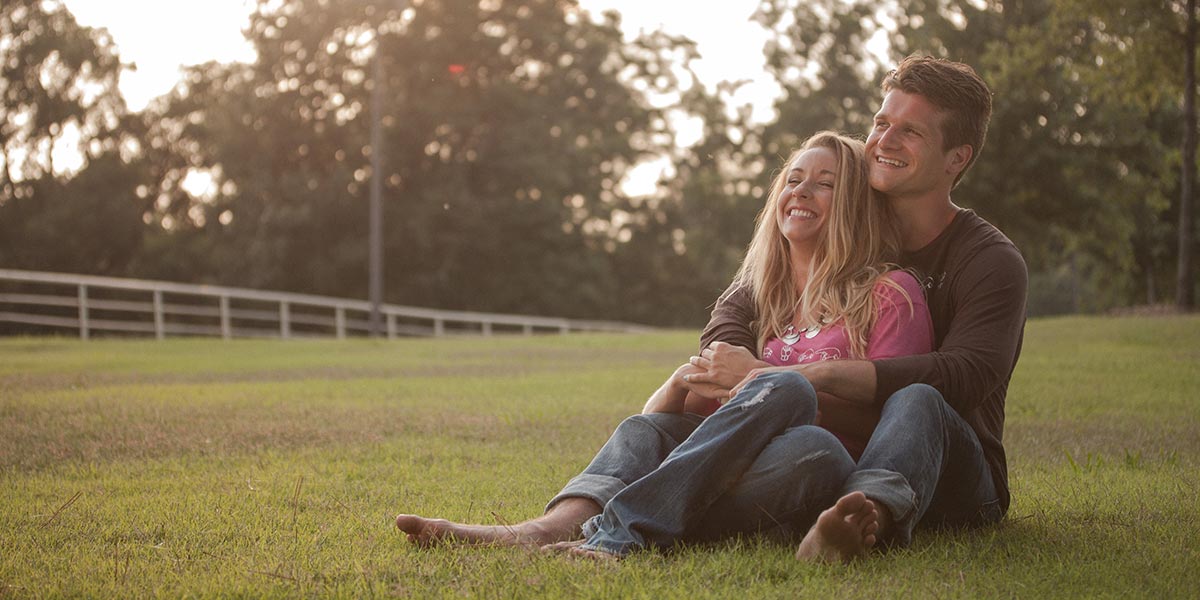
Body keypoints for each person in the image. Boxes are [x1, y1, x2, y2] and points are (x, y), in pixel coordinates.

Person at [395, 131, 934, 558]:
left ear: (856, 205)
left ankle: (620, 530)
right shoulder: (759, 301)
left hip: (812, 467)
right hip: (720, 465)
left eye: (826, 183)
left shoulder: (889, 294)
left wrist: (773, 383)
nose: (801, 190)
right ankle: (543, 530)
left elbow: (889, 423)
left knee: (798, 421)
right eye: (793, 179)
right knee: (644, 426)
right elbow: (672, 422)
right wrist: (680, 382)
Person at [693, 55, 1028, 563]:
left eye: (910, 132)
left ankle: (862, 516)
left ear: (956, 158)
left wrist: (803, 376)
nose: (885, 142)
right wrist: (744, 374)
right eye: (881, 122)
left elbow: (965, 375)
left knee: (919, 400)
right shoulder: (842, 233)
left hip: (953, 475)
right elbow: (735, 311)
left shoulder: (989, 260)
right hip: (832, 450)